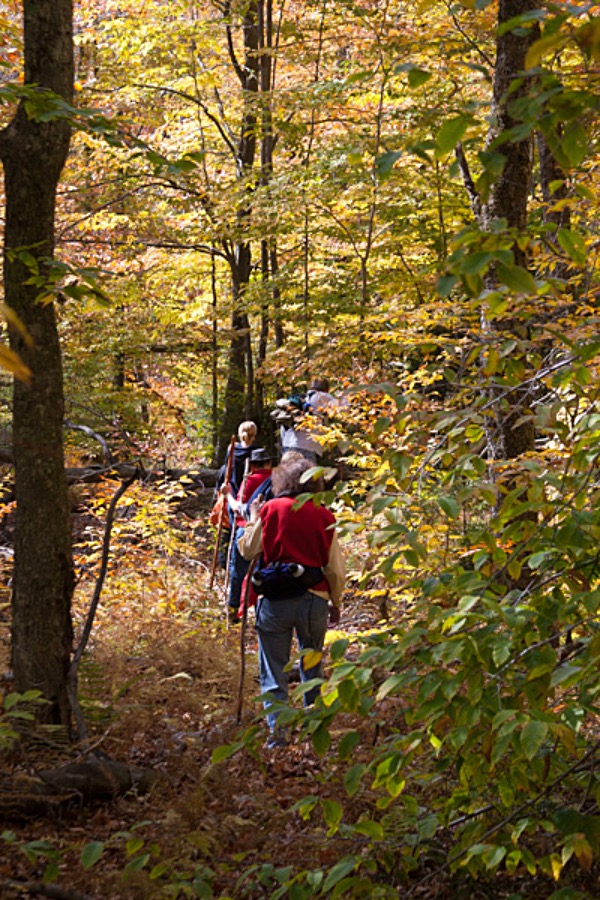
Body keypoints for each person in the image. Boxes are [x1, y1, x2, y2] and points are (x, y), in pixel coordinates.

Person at [238, 455, 345, 747]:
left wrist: (253, 519)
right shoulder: (324, 515)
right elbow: (334, 567)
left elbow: (247, 550)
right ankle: (314, 733)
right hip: (315, 599)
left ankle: (278, 737)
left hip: (275, 600)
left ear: (282, 480)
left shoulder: (271, 509)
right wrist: (335, 601)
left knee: (274, 669)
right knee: (312, 666)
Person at [222, 447, 273, 620]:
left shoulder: (249, 481)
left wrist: (228, 495)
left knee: (238, 572)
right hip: (268, 531)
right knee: (264, 571)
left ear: (252, 465)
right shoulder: (276, 481)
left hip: (245, 529)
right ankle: (261, 611)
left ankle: (233, 611)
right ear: (269, 463)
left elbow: (238, 509)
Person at [213, 421, 257, 569]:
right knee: (245, 529)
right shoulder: (255, 452)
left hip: (231, 493)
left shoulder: (232, 449)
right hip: (248, 494)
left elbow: (227, 470)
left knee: (228, 528)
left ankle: (225, 564)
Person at [279, 378, 337, 463]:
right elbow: (345, 407)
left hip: (287, 446)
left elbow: (283, 428)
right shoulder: (321, 396)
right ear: (326, 389)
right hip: (306, 447)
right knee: (305, 475)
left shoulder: (300, 401)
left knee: (289, 475)